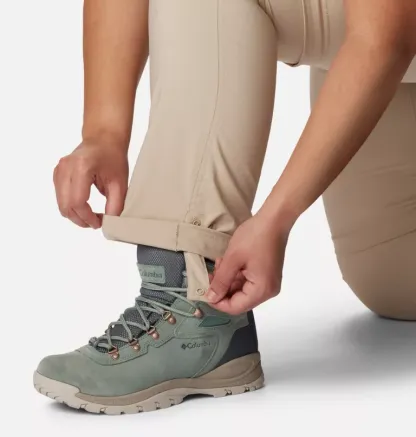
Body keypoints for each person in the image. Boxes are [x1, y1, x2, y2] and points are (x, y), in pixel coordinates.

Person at [34, 0, 416, 414]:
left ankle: (189, 298)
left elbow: (385, 34)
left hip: (387, 28)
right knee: (392, 287)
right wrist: (103, 132)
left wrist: (275, 218)